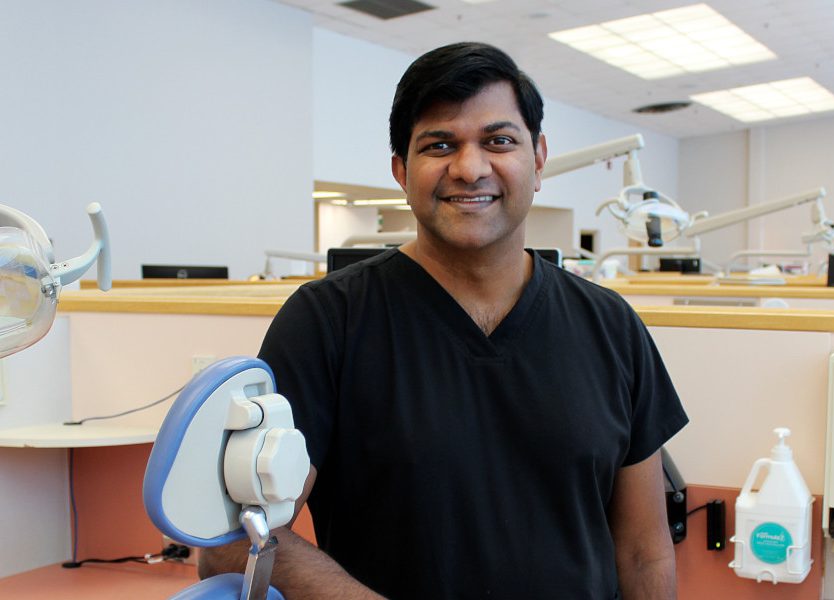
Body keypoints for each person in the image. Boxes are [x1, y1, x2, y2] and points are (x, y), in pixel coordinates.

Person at [200, 41, 688, 600]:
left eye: (499, 141)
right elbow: (236, 543)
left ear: (539, 157)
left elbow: (644, 550)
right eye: (440, 145)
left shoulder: (611, 327)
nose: (470, 168)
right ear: (401, 171)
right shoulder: (327, 322)